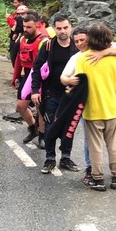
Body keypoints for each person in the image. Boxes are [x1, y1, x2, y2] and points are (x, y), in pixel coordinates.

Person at [59, 26, 116, 183]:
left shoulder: (82, 59)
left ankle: (97, 178)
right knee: (114, 144)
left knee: (95, 146)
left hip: (91, 109)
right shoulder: (115, 57)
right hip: (111, 107)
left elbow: (80, 81)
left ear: (89, 39)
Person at [30, 15, 79, 170]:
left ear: (70, 28)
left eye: (65, 27)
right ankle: (49, 158)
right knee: (50, 126)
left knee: (68, 127)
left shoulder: (78, 47)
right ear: (54, 29)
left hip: (71, 95)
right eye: (59, 28)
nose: (62, 31)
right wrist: (35, 90)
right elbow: (36, 68)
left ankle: (65, 158)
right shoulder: (48, 46)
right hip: (51, 94)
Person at [11, 11, 47, 148]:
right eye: (24, 27)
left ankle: (43, 136)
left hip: (39, 76)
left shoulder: (43, 41)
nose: (25, 30)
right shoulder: (22, 39)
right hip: (26, 75)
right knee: (20, 106)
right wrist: (15, 77)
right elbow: (18, 60)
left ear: (37, 25)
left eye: (29, 27)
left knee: (40, 107)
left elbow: (44, 66)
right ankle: (33, 129)